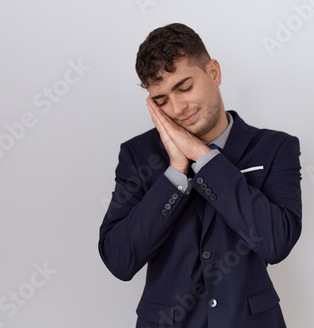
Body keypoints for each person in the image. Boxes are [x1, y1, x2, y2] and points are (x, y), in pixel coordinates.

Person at [98, 23, 302, 328]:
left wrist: (205, 158)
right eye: (162, 100)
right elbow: (119, 260)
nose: (178, 108)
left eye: (184, 87)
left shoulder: (276, 147)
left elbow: (276, 242)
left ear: (214, 73)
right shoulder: (137, 155)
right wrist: (175, 174)